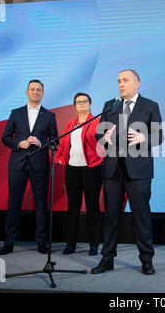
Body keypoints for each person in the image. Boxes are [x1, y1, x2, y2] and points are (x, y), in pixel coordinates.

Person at [91, 69, 163, 275]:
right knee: (111, 216)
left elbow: (159, 136)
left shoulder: (150, 106)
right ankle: (107, 258)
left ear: (137, 83)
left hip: (138, 170)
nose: (120, 84)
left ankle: (147, 260)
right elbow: (99, 135)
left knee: (142, 216)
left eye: (125, 80)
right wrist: (105, 137)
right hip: (113, 169)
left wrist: (144, 139)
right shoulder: (109, 106)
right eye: (118, 81)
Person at [0, 79, 58, 255]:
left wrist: (41, 142)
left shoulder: (49, 116)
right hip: (18, 164)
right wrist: (18, 144)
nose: (35, 92)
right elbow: (5, 137)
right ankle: (9, 243)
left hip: (39, 165)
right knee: (14, 203)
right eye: (32, 89)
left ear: (43, 93)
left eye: (39, 90)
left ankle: (41, 242)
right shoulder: (16, 113)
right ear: (27, 92)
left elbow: (55, 140)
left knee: (41, 204)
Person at [54, 92, 103, 256]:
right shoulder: (70, 123)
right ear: (74, 106)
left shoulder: (97, 121)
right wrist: (59, 158)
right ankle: (70, 244)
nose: (81, 104)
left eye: (84, 101)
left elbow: (101, 145)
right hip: (72, 169)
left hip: (91, 169)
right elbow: (63, 143)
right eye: (78, 102)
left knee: (92, 207)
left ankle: (94, 244)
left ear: (90, 104)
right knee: (72, 208)